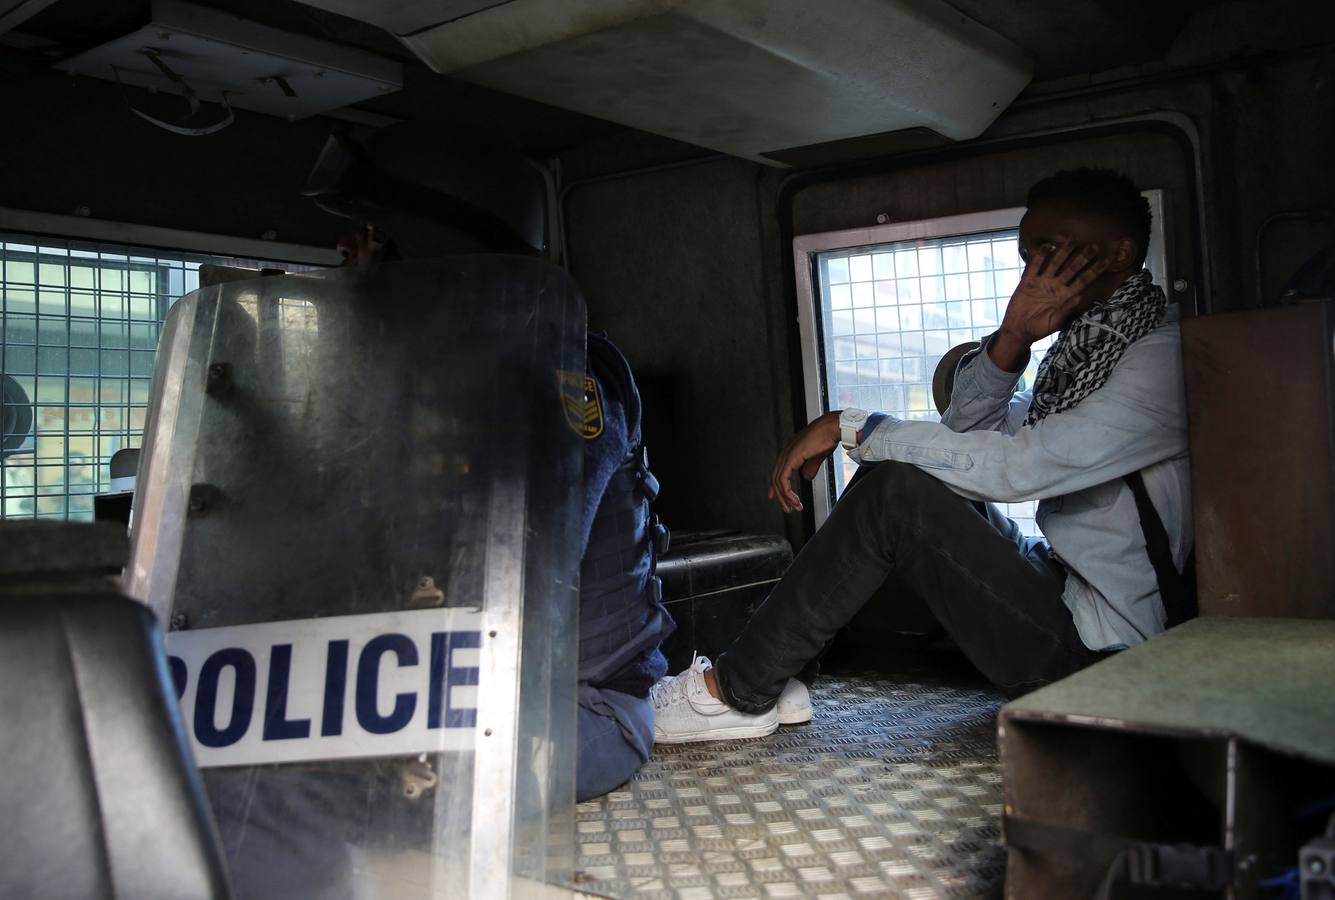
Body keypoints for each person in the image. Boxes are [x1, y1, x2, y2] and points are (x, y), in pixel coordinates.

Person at [650, 168, 1193, 743]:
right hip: (1064, 587)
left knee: (896, 494)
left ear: (1119, 254)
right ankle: (776, 680)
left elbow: (1021, 468)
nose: (1032, 270)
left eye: (1052, 252)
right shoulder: (1084, 354)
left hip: (1108, 656)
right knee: (906, 475)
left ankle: (737, 691)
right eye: (1027, 253)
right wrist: (1012, 339)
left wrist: (852, 427)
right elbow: (965, 436)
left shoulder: (1161, 358)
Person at [327, 131, 674, 799]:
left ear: (436, 250)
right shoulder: (410, 382)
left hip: (575, 705)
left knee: (362, 793)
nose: (345, 249)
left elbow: (527, 560)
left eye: (371, 232)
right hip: (433, 687)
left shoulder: (567, 365)